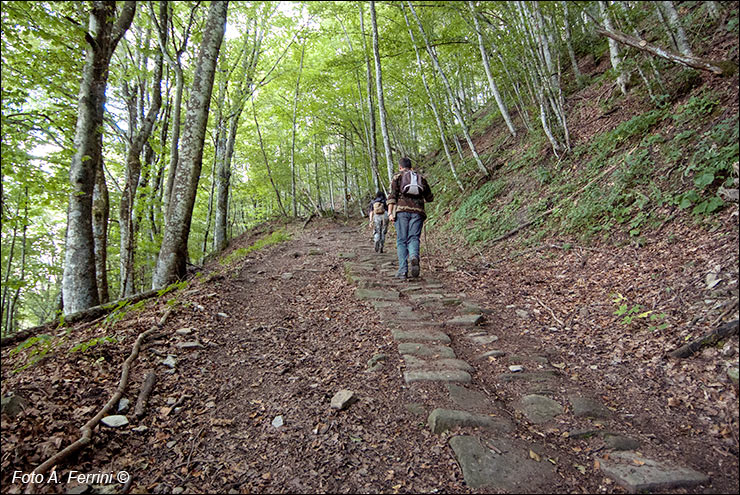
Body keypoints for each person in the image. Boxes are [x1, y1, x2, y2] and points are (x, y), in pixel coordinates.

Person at [387, 157, 433, 279]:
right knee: (413, 238)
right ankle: (413, 256)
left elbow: (392, 196)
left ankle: (402, 271)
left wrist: (390, 213)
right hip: (418, 212)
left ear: (400, 167)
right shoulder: (421, 178)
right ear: (411, 167)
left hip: (402, 212)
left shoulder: (398, 177)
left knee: (402, 240)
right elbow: (430, 198)